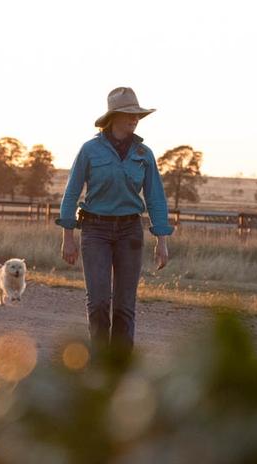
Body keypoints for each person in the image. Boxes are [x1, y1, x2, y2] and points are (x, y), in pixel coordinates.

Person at [57, 86, 171, 355]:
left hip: (130, 231)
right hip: (95, 230)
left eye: (137, 115)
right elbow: (72, 192)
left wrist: (162, 241)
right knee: (98, 302)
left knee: (124, 306)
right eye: (128, 115)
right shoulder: (89, 150)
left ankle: (119, 368)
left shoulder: (144, 155)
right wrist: (68, 238)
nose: (134, 119)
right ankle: (98, 364)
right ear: (114, 117)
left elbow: (156, 198)